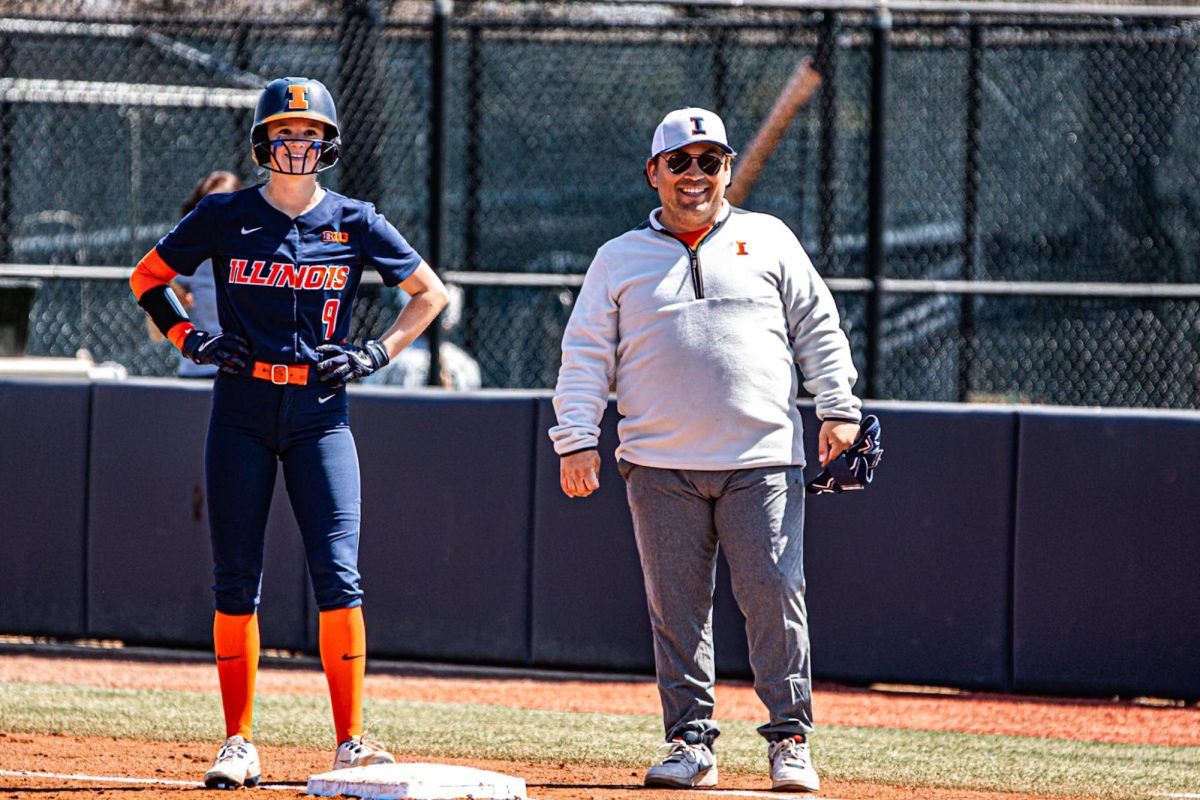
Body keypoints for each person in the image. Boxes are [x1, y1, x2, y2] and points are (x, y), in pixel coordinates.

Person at [129, 76, 448, 789]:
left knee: (339, 575)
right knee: (235, 580)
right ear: (263, 142)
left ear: (327, 143)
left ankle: (351, 740)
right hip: (240, 409)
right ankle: (238, 741)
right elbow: (146, 277)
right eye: (284, 133)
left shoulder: (355, 220)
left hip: (321, 415)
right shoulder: (224, 215)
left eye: (308, 134)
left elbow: (431, 294)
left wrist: (375, 352)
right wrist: (191, 338)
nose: (296, 144)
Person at [549, 107, 863, 793]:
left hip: (763, 459)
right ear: (654, 173)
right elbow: (584, 358)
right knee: (677, 609)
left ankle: (789, 740)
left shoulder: (769, 238)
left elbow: (818, 325)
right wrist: (576, 438)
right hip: (659, 463)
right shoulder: (618, 258)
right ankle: (690, 742)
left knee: (776, 593)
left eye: (710, 161)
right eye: (680, 162)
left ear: (725, 170)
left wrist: (838, 406)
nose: (696, 174)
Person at [143, 171, 243, 378]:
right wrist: (170, 304)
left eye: (226, 205)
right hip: (199, 372)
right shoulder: (186, 260)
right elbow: (156, 334)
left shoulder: (257, 256)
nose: (218, 215)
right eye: (209, 207)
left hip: (244, 374)